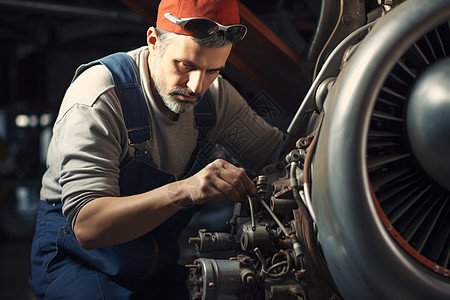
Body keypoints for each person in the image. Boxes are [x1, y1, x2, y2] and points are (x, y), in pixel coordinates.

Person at [29, 0, 284, 298]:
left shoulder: (214, 96)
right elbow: (89, 226)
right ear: (153, 41)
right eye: (185, 65)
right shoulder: (98, 98)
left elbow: (278, 158)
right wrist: (185, 190)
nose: (196, 86)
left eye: (213, 70)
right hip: (78, 262)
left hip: (153, 265)